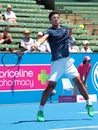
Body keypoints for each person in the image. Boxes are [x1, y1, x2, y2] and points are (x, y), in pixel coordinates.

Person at [32, 11, 94, 122]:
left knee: (79, 82)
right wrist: (36, 44)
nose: (56, 19)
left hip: (67, 61)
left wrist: (70, 37)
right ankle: (40, 110)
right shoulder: (49, 31)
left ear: (59, 19)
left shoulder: (65, 29)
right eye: (53, 18)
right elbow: (43, 38)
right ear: (50, 21)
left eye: (57, 17)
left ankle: (89, 104)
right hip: (56, 63)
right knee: (50, 87)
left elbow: (73, 42)